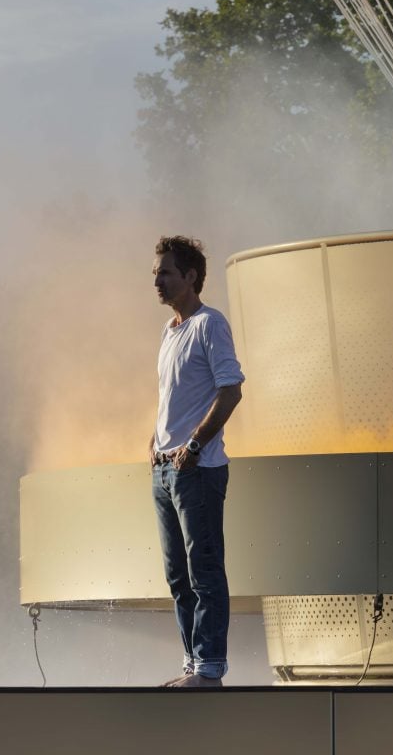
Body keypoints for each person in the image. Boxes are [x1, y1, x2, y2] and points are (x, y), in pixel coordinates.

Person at [150, 235, 244, 688]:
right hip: (165, 470)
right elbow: (174, 397)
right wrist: (156, 441)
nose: (158, 281)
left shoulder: (210, 324)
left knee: (204, 568)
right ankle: (192, 663)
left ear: (190, 277)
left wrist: (193, 447)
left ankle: (209, 670)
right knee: (178, 575)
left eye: (166, 272)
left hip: (197, 469)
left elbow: (231, 391)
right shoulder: (169, 332)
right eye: (156, 273)